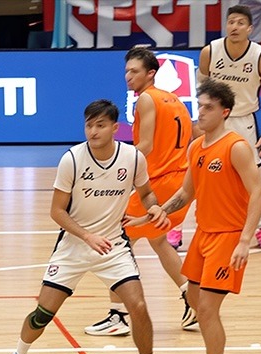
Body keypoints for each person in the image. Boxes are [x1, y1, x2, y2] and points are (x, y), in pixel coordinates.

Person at [0, 99, 174, 354]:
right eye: (89, 125)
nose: (93, 131)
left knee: (139, 306)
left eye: (100, 125)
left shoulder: (132, 158)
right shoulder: (73, 160)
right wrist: (86, 235)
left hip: (114, 247)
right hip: (74, 247)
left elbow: (145, 192)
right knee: (43, 314)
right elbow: (56, 211)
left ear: (115, 128)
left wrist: (155, 207)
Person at [142, 80, 261, 354]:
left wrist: (244, 240)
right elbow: (186, 193)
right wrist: (156, 211)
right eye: (199, 106)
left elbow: (258, 193)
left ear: (225, 112)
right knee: (195, 301)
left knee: (208, 310)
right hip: (204, 235)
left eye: (208, 107)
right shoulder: (196, 147)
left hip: (228, 236)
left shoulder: (236, 147)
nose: (201, 113)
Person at [85, 47, 198, 338]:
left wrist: (110, 166)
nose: (128, 76)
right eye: (126, 71)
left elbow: (145, 146)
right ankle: (194, 302)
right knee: (160, 241)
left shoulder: (146, 99)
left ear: (150, 73)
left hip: (158, 183)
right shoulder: (173, 99)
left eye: (134, 71)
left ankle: (118, 315)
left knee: (116, 242)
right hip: (178, 180)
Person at [181, 5, 261, 251]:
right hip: (213, 121)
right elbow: (199, 92)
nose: (234, 27)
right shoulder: (210, 52)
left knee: (250, 180)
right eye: (231, 22)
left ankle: (260, 227)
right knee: (199, 175)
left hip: (243, 120)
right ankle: (177, 227)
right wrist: (197, 121)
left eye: (240, 23)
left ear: (250, 28)